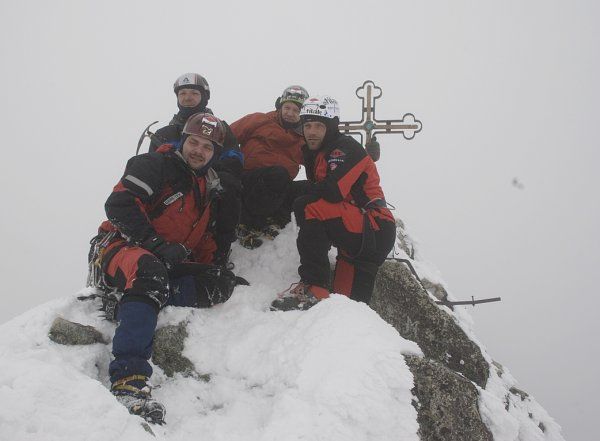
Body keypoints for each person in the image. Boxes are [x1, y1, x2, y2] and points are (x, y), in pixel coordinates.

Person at [90, 113, 241, 424]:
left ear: (214, 154)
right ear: (182, 141)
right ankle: (128, 381)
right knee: (150, 272)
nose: (198, 151)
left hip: (161, 259)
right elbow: (119, 205)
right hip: (118, 247)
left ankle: (134, 301)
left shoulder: (206, 187)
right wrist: (155, 244)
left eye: (207, 147)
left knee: (214, 285)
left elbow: (200, 238)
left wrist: (213, 269)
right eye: (194, 142)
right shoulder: (154, 166)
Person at [272, 96, 397, 311]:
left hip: (373, 226)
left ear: (330, 127)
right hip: (359, 236)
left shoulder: (344, 148)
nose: (311, 131)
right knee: (346, 308)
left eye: (318, 126)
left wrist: (295, 192)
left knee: (308, 205)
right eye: (307, 125)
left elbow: (333, 191)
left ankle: (314, 287)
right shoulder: (318, 152)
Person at [148, 72, 242, 265]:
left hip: (212, 181)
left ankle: (218, 256)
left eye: (193, 92)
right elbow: (153, 165)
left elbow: (234, 158)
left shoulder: (220, 128)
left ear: (204, 97)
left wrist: (205, 171)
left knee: (228, 187)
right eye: (182, 93)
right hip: (173, 187)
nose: (188, 97)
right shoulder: (165, 133)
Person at [229, 85, 309, 249]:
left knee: (309, 187)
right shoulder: (259, 120)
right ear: (279, 106)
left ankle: (274, 221)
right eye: (287, 107)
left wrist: (365, 155)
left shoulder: (304, 139)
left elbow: (322, 159)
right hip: (248, 182)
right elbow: (226, 135)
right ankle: (245, 222)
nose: (290, 113)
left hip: (277, 188)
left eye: (296, 110)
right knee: (278, 174)